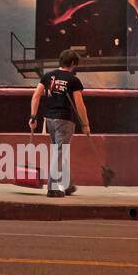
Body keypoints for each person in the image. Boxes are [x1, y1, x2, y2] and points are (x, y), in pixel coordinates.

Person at [29, 49, 92, 197]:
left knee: (60, 150)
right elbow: (80, 104)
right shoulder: (73, 80)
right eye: (75, 64)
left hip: (49, 119)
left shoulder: (47, 76)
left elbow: (36, 96)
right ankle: (53, 187)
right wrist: (85, 124)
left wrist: (33, 116)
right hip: (65, 120)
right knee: (60, 151)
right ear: (72, 63)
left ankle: (67, 184)